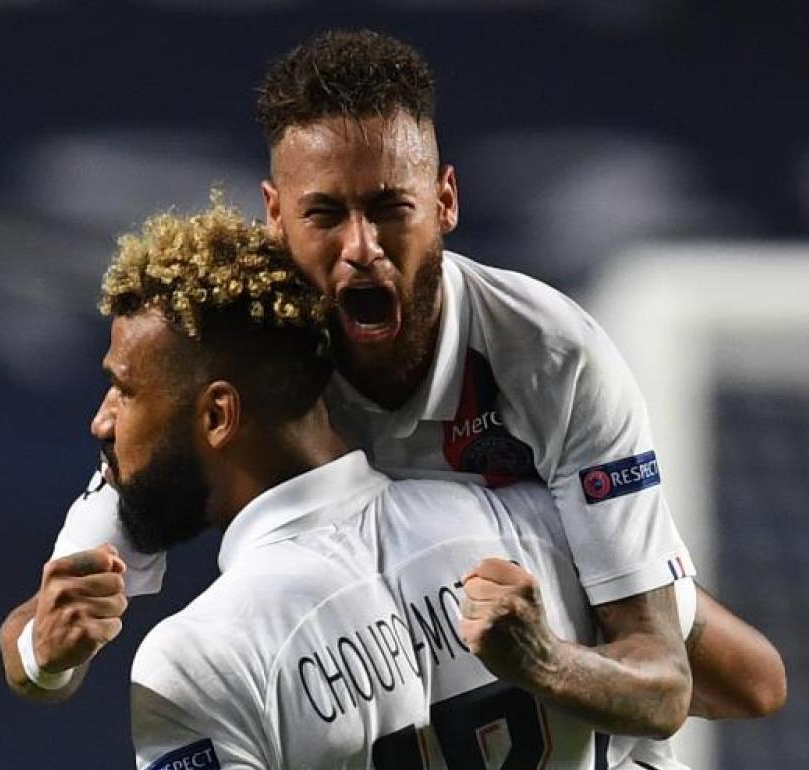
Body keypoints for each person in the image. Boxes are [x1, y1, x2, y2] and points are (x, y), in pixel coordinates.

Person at [0, 28, 784, 723]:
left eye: (389, 208)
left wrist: (541, 657)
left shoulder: (550, 355)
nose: (361, 247)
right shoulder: (254, 339)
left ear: (444, 202)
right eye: (326, 214)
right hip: (362, 608)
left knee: (752, 680)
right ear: (274, 216)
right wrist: (47, 652)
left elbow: (662, 686)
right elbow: (38, 645)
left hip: (524, 567)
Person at [99, 204, 695, 769]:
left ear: (218, 417)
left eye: (124, 391)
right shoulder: (542, 526)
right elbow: (734, 684)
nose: (101, 422)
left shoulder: (194, 662)